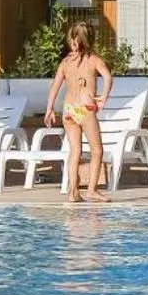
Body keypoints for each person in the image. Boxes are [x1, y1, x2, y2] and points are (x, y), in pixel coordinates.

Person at [42, 22, 113, 203]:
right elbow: (107, 77)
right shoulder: (94, 59)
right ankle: (91, 190)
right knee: (97, 150)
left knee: (75, 151)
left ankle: (73, 192)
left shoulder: (65, 62)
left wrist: (49, 109)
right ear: (90, 39)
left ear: (72, 40)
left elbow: (54, 87)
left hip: (68, 110)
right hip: (85, 108)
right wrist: (103, 97)